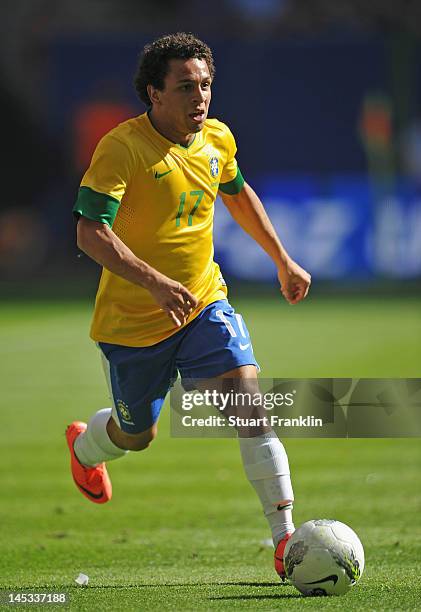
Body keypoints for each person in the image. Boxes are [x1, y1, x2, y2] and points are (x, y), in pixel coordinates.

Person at [67, 32, 311, 580]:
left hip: (203, 302)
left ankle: (286, 538)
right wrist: (153, 282)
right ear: (154, 93)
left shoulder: (217, 139)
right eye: (185, 87)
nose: (200, 98)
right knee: (137, 436)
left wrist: (282, 258)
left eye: (205, 85)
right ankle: (86, 448)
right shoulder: (122, 147)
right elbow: (89, 232)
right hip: (132, 324)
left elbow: (238, 193)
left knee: (249, 399)